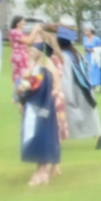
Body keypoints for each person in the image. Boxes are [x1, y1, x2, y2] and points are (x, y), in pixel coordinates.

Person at [19, 40, 62, 186]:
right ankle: (42, 172)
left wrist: (22, 93)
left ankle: (41, 173)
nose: (30, 51)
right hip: (38, 107)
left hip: (39, 107)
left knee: (41, 137)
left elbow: (35, 89)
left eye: (33, 49)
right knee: (39, 137)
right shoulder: (38, 68)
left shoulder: (42, 71)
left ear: (40, 52)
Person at [58, 28, 101, 150]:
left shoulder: (63, 56)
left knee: (65, 115)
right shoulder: (76, 53)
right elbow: (87, 68)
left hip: (73, 88)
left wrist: (65, 94)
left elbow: (65, 77)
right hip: (85, 88)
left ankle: (57, 141)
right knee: (89, 114)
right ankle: (98, 136)